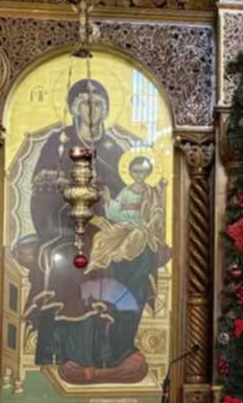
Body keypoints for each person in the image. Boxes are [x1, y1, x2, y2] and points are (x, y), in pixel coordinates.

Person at [15, 78, 162, 385]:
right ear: (74, 108)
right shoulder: (59, 142)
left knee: (143, 255)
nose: (93, 110)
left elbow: (128, 195)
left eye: (98, 104)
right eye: (86, 103)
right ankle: (77, 353)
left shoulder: (114, 149)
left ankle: (119, 348)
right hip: (65, 224)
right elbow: (42, 194)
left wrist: (120, 209)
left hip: (112, 224)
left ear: (107, 109)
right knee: (77, 260)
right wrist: (79, 213)